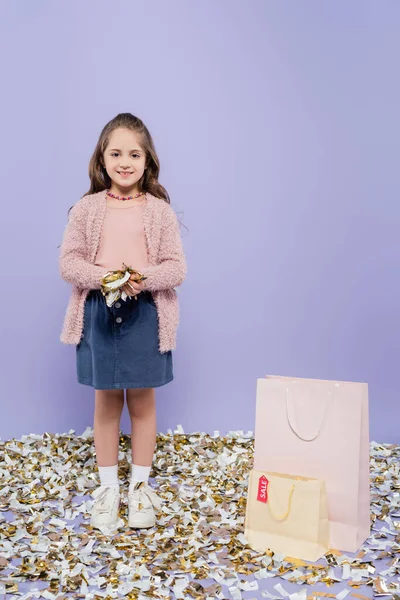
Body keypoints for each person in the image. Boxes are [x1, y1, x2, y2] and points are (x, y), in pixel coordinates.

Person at [59, 113, 187, 531]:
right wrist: (107, 278)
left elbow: (176, 269)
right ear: (102, 157)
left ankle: (139, 489)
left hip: (145, 314)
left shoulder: (160, 212)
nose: (125, 161)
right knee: (107, 402)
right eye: (116, 153)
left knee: (143, 403)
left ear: (148, 161)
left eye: (134, 153)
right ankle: (108, 488)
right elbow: (69, 263)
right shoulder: (87, 208)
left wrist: (141, 278)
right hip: (99, 311)